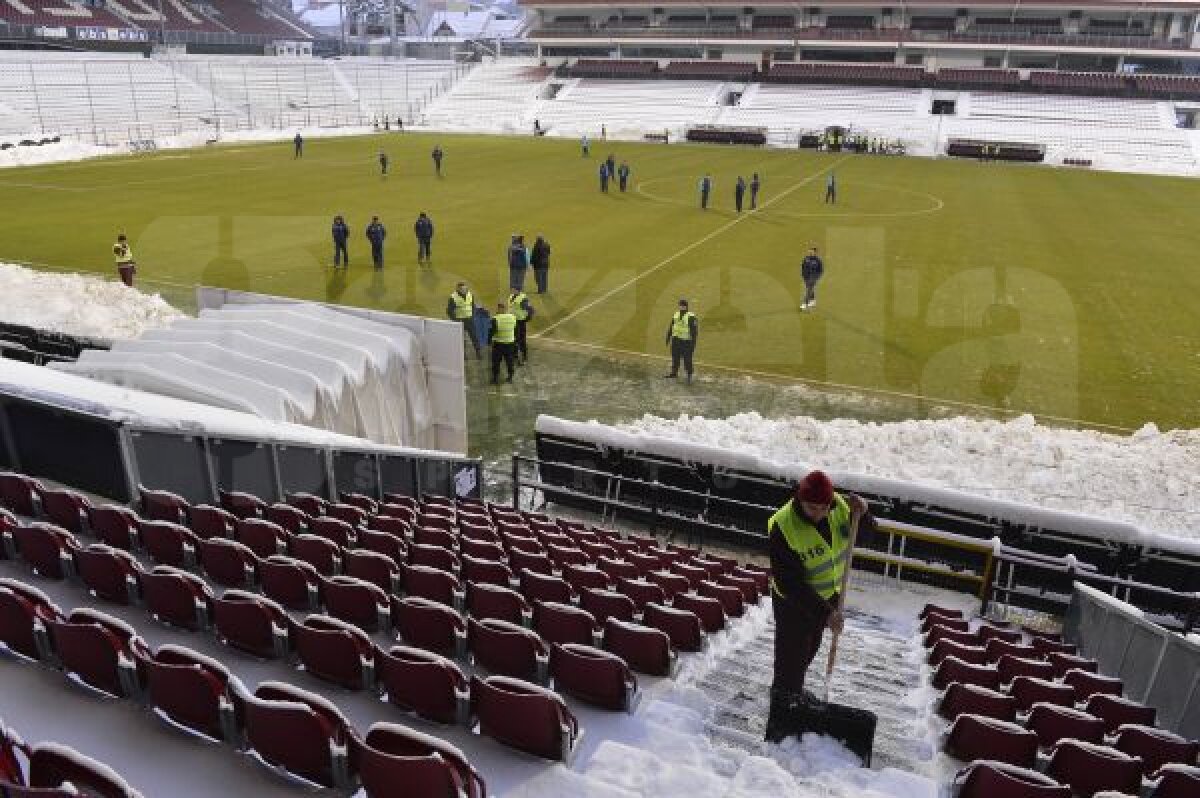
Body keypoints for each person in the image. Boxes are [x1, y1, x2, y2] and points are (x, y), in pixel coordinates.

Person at [765, 470, 871, 742]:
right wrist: (826, 614)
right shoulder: (783, 526)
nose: (820, 513)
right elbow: (790, 583)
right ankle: (782, 716)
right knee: (791, 657)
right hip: (793, 603)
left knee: (809, 648)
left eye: (824, 507)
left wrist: (864, 514)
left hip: (829, 598)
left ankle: (793, 694)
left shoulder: (838, 506)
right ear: (800, 499)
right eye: (813, 508)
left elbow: (866, 535)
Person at [663, 299, 698, 383]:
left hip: (686, 342)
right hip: (676, 340)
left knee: (687, 359)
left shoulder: (691, 317)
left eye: (683, 305)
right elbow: (671, 326)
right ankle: (674, 373)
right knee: (675, 357)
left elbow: (694, 332)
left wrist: (693, 344)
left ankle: (689, 375)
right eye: (680, 305)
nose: (681, 307)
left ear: (686, 306)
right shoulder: (676, 314)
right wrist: (668, 337)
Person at [446, 281, 481, 359]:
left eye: (465, 288)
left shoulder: (470, 295)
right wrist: (455, 320)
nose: (465, 290)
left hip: (469, 319)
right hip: (460, 321)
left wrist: (473, 315)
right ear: (458, 289)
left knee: (474, 336)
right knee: (461, 339)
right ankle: (463, 355)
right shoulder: (453, 297)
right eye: (462, 289)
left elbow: (473, 305)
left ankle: (478, 352)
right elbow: (449, 311)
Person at [489, 301, 518, 384]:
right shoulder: (513, 317)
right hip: (510, 343)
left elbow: (492, 332)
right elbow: (515, 329)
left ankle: (495, 378)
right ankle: (510, 377)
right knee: (509, 361)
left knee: (496, 362)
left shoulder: (496, 319)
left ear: (500, 308)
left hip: (499, 344)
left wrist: (489, 341)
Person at [507, 287, 534, 365]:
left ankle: (524, 356)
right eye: (512, 289)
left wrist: (527, 318)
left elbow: (531, 310)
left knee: (522, 340)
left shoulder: (523, 299)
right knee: (514, 339)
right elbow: (510, 308)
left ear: (518, 290)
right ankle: (515, 355)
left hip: (520, 322)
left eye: (514, 289)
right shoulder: (511, 296)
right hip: (512, 321)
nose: (512, 291)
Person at [800, 246, 824, 311]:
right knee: (809, 288)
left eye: (811, 251)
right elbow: (803, 266)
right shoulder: (806, 258)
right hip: (806, 276)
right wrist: (802, 274)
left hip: (814, 276)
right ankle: (813, 301)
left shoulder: (818, 260)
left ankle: (805, 303)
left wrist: (817, 277)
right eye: (809, 251)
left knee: (809, 288)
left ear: (815, 253)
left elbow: (821, 270)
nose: (810, 252)